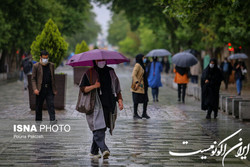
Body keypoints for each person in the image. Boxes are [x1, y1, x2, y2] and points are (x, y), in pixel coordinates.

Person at [80, 59, 123, 159]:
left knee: (102, 128)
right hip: (95, 105)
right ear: (95, 61)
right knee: (98, 127)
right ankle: (104, 149)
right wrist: (94, 86)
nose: (101, 62)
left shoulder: (111, 71)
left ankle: (94, 152)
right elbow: (83, 89)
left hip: (109, 104)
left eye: (103, 60)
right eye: (99, 60)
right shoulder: (89, 73)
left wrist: (120, 100)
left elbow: (117, 88)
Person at [31, 50, 57, 123]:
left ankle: (53, 120)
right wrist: (35, 89)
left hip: (49, 89)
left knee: (51, 105)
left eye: (46, 58)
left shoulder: (51, 65)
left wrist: (54, 89)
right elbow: (33, 78)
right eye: (44, 58)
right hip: (40, 89)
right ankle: (38, 121)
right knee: (39, 106)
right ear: (40, 57)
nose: (45, 59)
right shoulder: (36, 66)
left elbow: (53, 77)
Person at [131, 54, 150, 119]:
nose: (144, 59)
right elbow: (133, 74)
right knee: (136, 100)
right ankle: (135, 114)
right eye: (143, 58)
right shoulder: (137, 65)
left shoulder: (142, 65)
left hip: (144, 85)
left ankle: (144, 113)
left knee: (145, 100)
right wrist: (136, 82)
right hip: (138, 86)